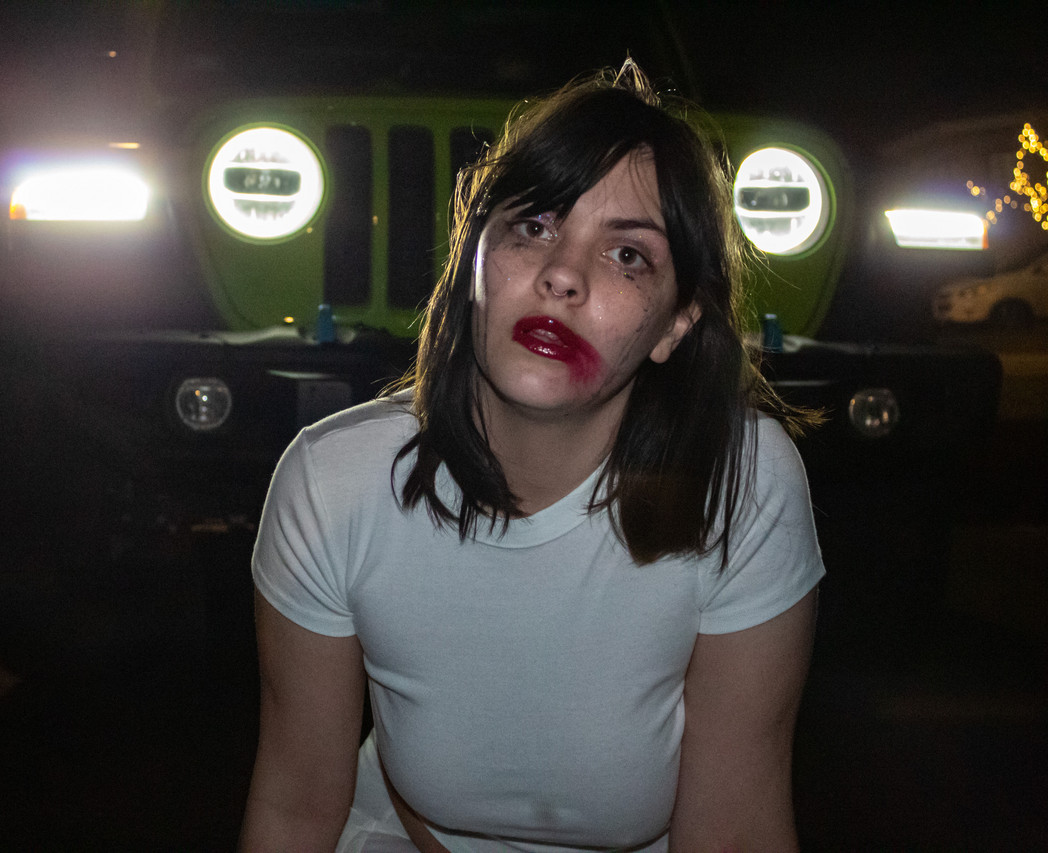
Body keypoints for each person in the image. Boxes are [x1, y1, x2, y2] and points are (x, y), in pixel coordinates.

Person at [239, 62, 824, 853]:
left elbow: (737, 828)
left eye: (628, 257)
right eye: (536, 225)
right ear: (475, 254)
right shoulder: (332, 482)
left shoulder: (745, 484)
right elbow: (294, 806)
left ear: (676, 325)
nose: (562, 275)